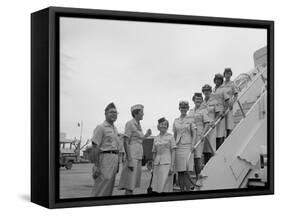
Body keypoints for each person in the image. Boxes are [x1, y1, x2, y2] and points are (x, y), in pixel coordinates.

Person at [118, 104, 152, 195]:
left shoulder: (138, 125)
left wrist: (146, 135)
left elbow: (139, 139)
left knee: (133, 184)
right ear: (136, 113)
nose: (143, 114)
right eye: (142, 112)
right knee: (129, 184)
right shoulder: (130, 123)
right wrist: (129, 159)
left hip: (138, 156)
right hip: (132, 156)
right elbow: (126, 141)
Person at [91, 102, 121, 197]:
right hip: (104, 159)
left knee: (109, 188)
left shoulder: (115, 129)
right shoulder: (101, 127)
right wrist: (96, 166)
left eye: (116, 112)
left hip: (114, 160)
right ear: (105, 114)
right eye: (111, 112)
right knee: (101, 186)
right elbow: (95, 147)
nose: (114, 114)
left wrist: (118, 164)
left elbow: (117, 148)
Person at [173, 101, 197, 192]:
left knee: (187, 170)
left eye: (185, 108)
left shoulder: (191, 119)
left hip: (187, 146)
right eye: (182, 108)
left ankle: (188, 190)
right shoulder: (176, 120)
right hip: (178, 146)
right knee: (180, 171)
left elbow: (194, 132)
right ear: (179, 109)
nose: (183, 109)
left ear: (187, 109)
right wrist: (174, 146)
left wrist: (193, 144)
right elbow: (175, 134)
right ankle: (182, 191)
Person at [151, 117, 176, 193]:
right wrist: (153, 167)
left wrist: (172, 166)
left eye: (165, 124)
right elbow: (154, 152)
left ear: (167, 126)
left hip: (166, 163)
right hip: (157, 164)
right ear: (158, 126)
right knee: (157, 186)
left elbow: (173, 151)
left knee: (165, 186)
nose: (163, 126)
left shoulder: (170, 137)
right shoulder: (156, 138)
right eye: (161, 124)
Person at [189, 93, 210, 179]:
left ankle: (199, 177)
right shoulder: (190, 111)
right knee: (192, 156)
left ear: (202, 101)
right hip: (190, 135)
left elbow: (207, 123)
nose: (198, 101)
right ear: (193, 100)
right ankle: (195, 175)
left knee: (197, 156)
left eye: (200, 99)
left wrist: (203, 134)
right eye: (196, 99)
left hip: (199, 135)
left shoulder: (204, 110)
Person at [201, 84, 218, 164]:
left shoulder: (214, 101)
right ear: (203, 92)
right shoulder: (202, 103)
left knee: (211, 145)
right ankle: (206, 164)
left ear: (210, 91)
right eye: (205, 90)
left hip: (211, 126)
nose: (206, 92)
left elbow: (218, 113)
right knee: (204, 147)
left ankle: (212, 164)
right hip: (204, 126)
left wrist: (215, 121)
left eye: (208, 90)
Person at [213, 73, 230, 150]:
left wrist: (224, 112)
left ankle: (220, 150)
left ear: (221, 81)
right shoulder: (213, 90)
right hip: (213, 113)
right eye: (216, 79)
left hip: (220, 112)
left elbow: (227, 101)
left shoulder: (223, 89)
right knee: (214, 133)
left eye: (219, 79)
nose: (217, 81)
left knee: (220, 133)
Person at [222, 68, 239, 137]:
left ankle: (228, 137)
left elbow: (236, 94)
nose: (227, 75)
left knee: (229, 123)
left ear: (231, 74)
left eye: (229, 73)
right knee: (222, 122)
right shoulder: (222, 84)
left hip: (229, 105)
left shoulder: (232, 83)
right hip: (222, 105)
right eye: (226, 73)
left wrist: (232, 103)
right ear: (224, 74)